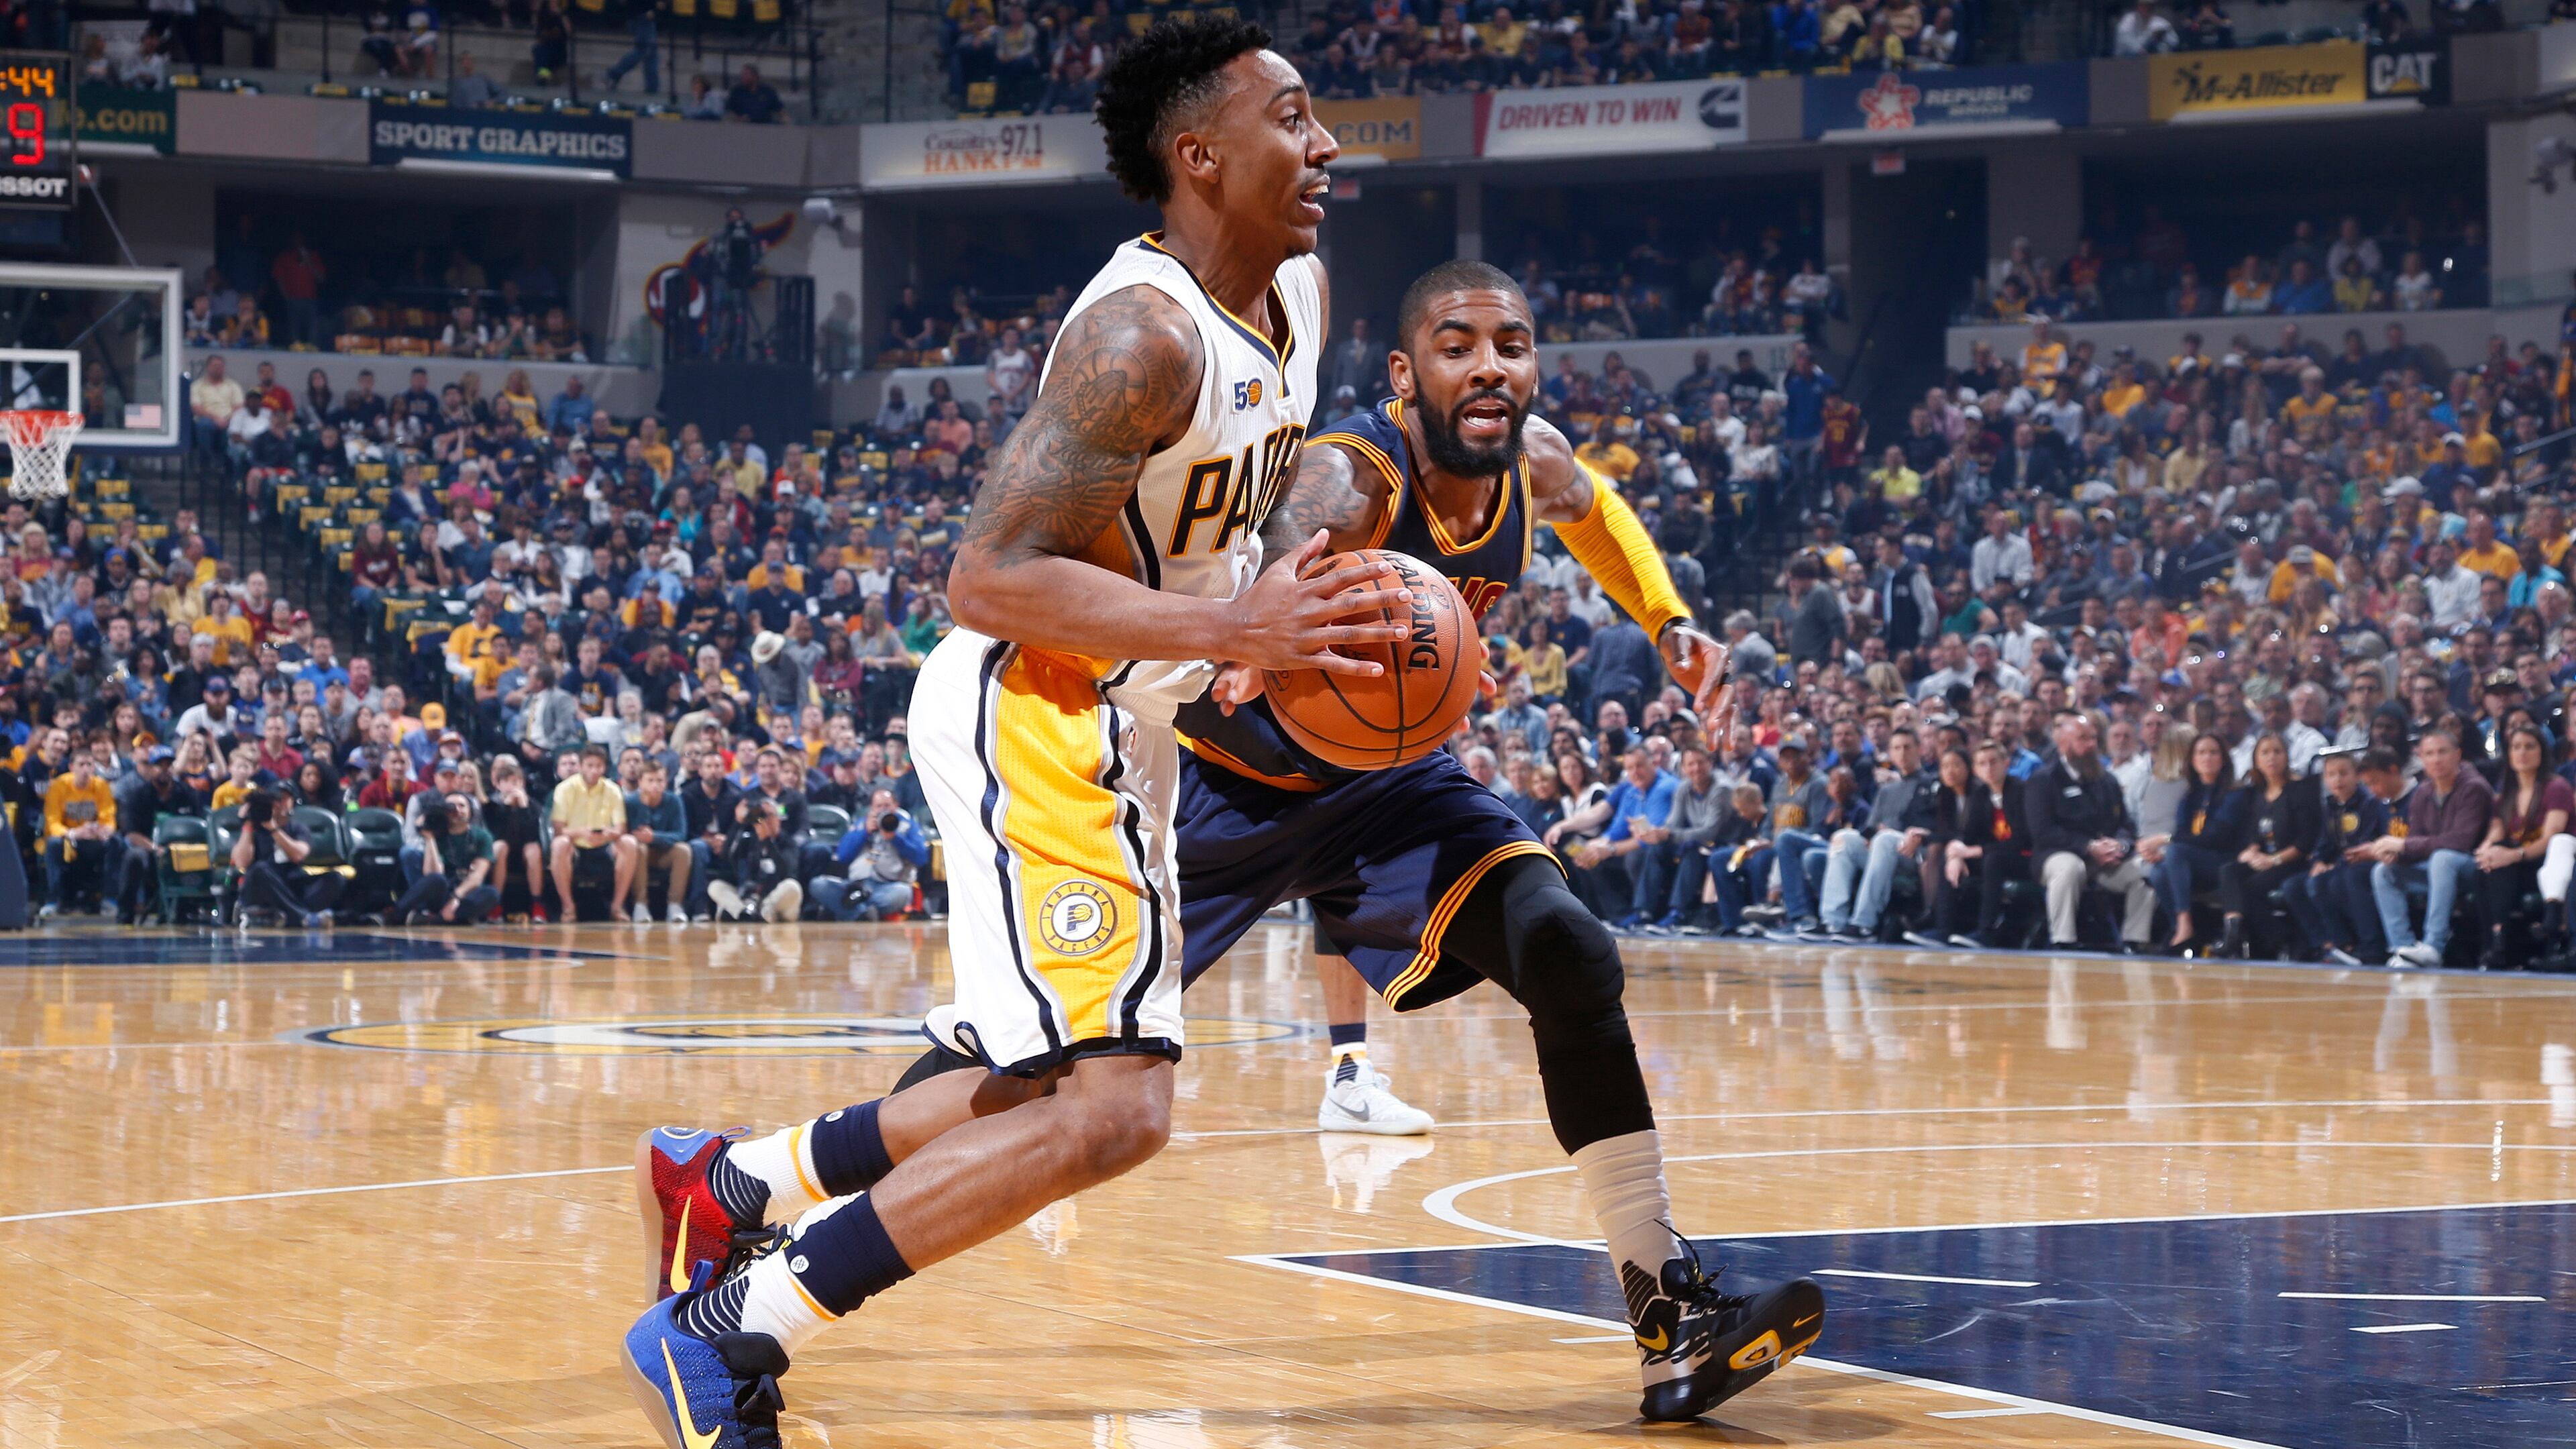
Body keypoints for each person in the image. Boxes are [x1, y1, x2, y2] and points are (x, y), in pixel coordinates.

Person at [622, 53, 1813, 1442]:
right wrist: (1252, 624)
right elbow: (989, 578)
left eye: (1511, 348)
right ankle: (749, 1225)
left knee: (1561, 950)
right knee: (1053, 1093)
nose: (1324, 147)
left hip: (1320, 766)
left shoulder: (1304, 300)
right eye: (1291, 121)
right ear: (1199, 155)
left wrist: (1669, 625)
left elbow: (1586, 501)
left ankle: (1666, 1301)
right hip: (1128, 732)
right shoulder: (1155, 346)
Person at [2361, 727, 2492, 969]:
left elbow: (2462, 841)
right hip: (2435, 869)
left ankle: (2434, 946)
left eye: (2443, 752)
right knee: (2383, 872)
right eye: (2429, 753)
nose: (2436, 759)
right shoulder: (2423, 792)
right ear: (2421, 758)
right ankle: (2403, 948)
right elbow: (2418, 842)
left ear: (2458, 755)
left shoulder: (2474, 787)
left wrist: (2404, 844)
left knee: (2443, 858)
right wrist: (2398, 853)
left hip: (2474, 868)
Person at [2028, 714, 2156, 951]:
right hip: (2058, 855)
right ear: (2064, 744)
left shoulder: (2107, 780)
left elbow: (2125, 825)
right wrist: (2088, 846)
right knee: (2069, 867)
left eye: (2094, 739)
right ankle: (2063, 940)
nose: (2091, 745)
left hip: (2104, 861)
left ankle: (2135, 941)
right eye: (2082, 739)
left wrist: (2120, 845)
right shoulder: (2043, 780)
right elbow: (2042, 831)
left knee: (2145, 870)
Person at [2282, 748, 2392, 965]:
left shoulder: (2368, 803)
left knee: (2326, 883)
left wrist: (2335, 865)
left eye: (2344, 773)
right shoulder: (2331, 806)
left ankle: (2348, 944)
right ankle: (2323, 944)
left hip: (2362, 862)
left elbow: (2366, 840)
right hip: (2337, 866)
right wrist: (2318, 862)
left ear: (2356, 776)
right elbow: (2323, 843)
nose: (2338, 779)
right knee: (2292, 887)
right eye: (2331, 774)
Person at [2473, 724, 2570, 970]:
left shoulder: (2556, 787)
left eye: (2529, 746)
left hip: (2547, 863)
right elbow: (2497, 830)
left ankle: (2500, 942)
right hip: (2517, 863)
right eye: (2516, 747)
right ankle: (2497, 941)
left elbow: (2552, 837)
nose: (2522, 753)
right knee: (2489, 865)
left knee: (2503, 860)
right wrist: (2487, 850)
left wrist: (2514, 855)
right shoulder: (2505, 792)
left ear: (2542, 752)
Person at [2141, 733, 2241, 957]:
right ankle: (2182, 929)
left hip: (2223, 862)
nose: (2207, 758)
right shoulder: (2189, 795)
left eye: (2213, 752)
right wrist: (2164, 851)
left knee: (2175, 852)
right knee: (2159, 871)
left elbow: (2216, 837)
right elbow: (2183, 834)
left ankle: (2185, 924)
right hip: (2192, 861)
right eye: (2201, 753)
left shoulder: (2235, 793)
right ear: (2192, 760)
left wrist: (2166, 842)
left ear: (2223, 759)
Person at [2216, 733, 2315, 959]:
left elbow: (2306, 841)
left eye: (2277, 752)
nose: (2272, 758)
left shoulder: (2300, 790)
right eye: (2265, 753)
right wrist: (2251, 851)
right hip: (2266, 859)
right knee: (2229, 870)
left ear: (2287, 757)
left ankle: (2284, 940)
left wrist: (2273, 860)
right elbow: (2253, 833)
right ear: (2256, 760)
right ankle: (2233, 931)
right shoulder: (2257, 794)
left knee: (2251, 888)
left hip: (2293, 860)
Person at [229, 787, 342, 928]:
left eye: (284, 799)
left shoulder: (298, 828)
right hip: (264, 885)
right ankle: (304, 917)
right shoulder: (253, 829)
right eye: (275, 800)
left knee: (335, 878)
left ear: (292, 802)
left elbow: (298, 856)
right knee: (260, 870)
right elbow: (242, 862)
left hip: (292, 882)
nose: (279, 804)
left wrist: (274, 829)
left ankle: (290, 913)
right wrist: (248, 824)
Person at [811, 788, 928, 921]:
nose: (883, 810)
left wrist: (896, 838)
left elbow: (921, 858)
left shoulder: (907, 826)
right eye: (879, 806)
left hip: (887, 887)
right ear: (871, 808)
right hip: (855, 885)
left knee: (903, 893)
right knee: (818, 885)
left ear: (896, 806)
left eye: (887, 806)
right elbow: (842, 856)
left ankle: (850, 910)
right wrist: (864, 833)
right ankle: (863, 913)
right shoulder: (862, 824)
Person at [549, 743, 636, 922]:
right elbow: (559, 829)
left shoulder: (613, 789)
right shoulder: (564, 788)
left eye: (599, 766)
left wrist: (608, 834)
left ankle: (617, 906)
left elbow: (621, 828)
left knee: (629, 843)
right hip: (576, 844)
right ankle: (568, 907)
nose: (595, 770)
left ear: (605, 767)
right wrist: (580, 833)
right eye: (590, 765)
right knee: (559, 844)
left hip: (604, 844)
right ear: (581, 766)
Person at [395, 792, 500, 926]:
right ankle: (397, 913)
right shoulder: (438, 834)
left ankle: (435, 919)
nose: (457, 810)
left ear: (470, 812)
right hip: (442, 892)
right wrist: (430, 838)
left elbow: (477, 876)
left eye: (462, 806)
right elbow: (431, 874)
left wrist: (456, 897)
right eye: (451, 806)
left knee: (492, 893)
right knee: (436, 880)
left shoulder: (482, 836)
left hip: (465, 893)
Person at [39, 749, 119, 916]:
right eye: (81, 765)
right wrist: (75, 833)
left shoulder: (101, 785)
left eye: (89, 765)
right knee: (53, 844)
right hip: (69, 838)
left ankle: (110, 900)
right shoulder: (59, 786)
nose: (85, 769)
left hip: (93, 838)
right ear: (71, 767)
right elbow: (52, 823)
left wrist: (103, 831)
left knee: (116, 842)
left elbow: (108, 818)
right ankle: (53, 900)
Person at [706, 797, 802, 921]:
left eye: (770, 815)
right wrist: (738, 823)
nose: (765, 820)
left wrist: (768, 842)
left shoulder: (788, 843)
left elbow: (787, 873)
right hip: (750, 898)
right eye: (761, 816)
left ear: (779, 820)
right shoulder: (749, 840)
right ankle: (742, 913)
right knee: (715, 886)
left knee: (792, 887)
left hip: (776, 900)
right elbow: (726, 859)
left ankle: (760, 912)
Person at [625, 760, 691, 923]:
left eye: (660, 781)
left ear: (666, 782)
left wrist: (655, 837)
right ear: (640, 782)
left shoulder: (674, 801)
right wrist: (644, 807)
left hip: (664, 853)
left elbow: (680, 834)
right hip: (639, 855)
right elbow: (633, 833)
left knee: (683, 850)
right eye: (650, 781)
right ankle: (641, 905)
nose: (655, 785)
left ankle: (675, 905)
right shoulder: (630, 802)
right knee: (639, 848)